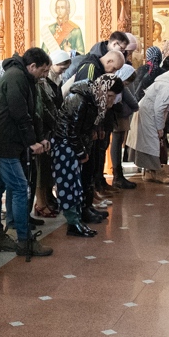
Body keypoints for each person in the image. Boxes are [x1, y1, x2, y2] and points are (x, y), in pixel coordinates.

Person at [0, 47, 53, 257]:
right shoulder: (16, 77)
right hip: (4, 143)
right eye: (43, 70)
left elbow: (33, 112)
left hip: (2, 141)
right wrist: (31, 142)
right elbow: (19, 112)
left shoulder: (23, 76)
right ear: (32, 66)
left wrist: (38, 137)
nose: (45, 75)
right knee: (20, 188)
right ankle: (24, 241)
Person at [51, 74, 121, 237]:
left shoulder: (93, 98)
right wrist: (81, 151)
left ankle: (77, 219)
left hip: (75, 144)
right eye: (109, 95)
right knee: (68, 184)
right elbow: (71, 130)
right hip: (65, 144)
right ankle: (73, 223)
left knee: (76, 185)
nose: (110, 101)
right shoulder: (79, 99)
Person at [126, 67, 169, 184]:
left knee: (149, 141)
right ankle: (157, 172)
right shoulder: (168, 87)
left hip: (149, 112)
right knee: (152, 142)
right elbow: (160, 109)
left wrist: (162, 125)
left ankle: (149, 172)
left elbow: (165, 110)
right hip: (148, 113)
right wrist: (160, 127)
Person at [34, 50, 70, 217]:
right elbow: (43, 108)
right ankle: (41, 202)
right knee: (41, 170)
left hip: (50, 129)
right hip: (42, 130)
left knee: (47, 169)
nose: (46, 73)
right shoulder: (40, 83)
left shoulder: (51, 81)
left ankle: (47, 199)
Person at [110, 64, 140, 189]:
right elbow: (133, 102)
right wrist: (128, 109)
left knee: (117, 143)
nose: (126, 85)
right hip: (119, 117)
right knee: (116, 143)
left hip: (118, 115)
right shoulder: (119, 85)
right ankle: (117, 176)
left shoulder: (118, 84)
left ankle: (118, 174)